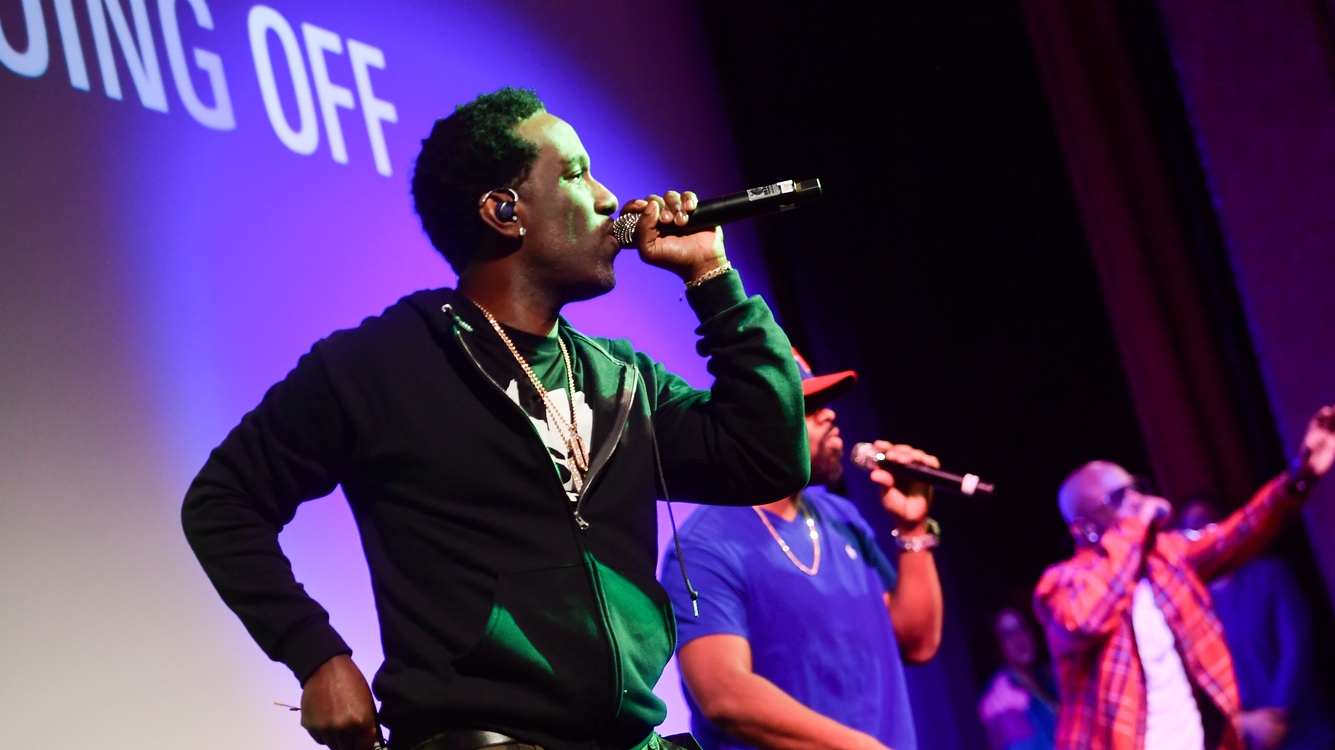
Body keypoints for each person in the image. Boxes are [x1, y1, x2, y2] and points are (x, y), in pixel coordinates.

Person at [181, 87, 810, 750]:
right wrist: (316, 654)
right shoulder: (380, 364)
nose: (606, 198)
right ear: (503, 211)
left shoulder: (622, 378)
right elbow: (224, 503)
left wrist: (711, 276)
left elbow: (766, 460)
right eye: (574, 173)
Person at [661, 351, 944, 750]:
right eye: (808, 406)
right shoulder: (704, 545)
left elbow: (917, 642)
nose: (829, 415)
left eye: (825, 405)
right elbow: (725, 695)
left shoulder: (840, 516)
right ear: (750, 427)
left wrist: (912, 527)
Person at [1033, 404, 1335, 750]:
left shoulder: (1164, 557)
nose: (1135, 500)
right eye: (1118, 497)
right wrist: (1134, 531)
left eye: (1135, 488)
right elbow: (1085, 621)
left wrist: (1301, 476)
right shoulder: (1061, 584)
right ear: (1085, 529)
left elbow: (1237, 533)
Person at [1176, 497, 1335, 750]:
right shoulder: (1187, 606)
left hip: (1303, 727)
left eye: (1212, 526)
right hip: (1247, 737)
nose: (1206, 537)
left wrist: (1277, 712)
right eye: (1193, 532)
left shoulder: (1269, 574)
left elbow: (1296, 644)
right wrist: (1247, 723)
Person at [978, 607, 1058, 750]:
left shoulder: (1044, 677)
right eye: (1008, 634)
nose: (1018, 639)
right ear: (998, 646)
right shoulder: (1000, 700)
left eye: (1021, 628)